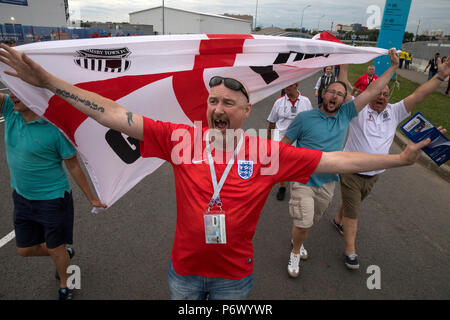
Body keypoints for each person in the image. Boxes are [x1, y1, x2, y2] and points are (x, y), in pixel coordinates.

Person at [0, 44, 430, 300]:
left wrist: (397, 160)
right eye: (212, 102)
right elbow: (113, 113)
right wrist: (48, 81)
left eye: (228, 103)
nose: (218, 108)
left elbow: (337, 161)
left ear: (247, 111)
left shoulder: (265, 152)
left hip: (234, 279)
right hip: (183, 274)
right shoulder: (178, 138)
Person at [281, 50, 401, 278]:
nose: (335, 96)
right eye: (331, 92)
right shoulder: (305, 118)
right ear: (324, 95)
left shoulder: (346, 114)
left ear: (344, 100)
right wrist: (279, 171)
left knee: (310, 220)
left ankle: (298, 236)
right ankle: (296, 250)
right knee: (304, 220)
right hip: (303, 179)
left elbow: (373, 90)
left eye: (340, 93)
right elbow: (284, 145)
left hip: (328, 182)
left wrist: (393, 67)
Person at [333, 55, 450, 270]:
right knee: (354, 211)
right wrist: (345, 62)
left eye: (386, 95)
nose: (381, 98)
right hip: (351, 170)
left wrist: (440, 77)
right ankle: (350, 250)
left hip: (374, 176)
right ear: (370, 94)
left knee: (354, 203)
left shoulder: (395, 112)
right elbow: (344, 90)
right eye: (378, 93)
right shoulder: (358, 110)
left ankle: (338, 219)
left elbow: (418, 95)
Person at [0, 91, 106, 300]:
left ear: (32, 96)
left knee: (54, 247)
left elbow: (73, 166)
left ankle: (66, 284)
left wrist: (91, 197)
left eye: (19, 92)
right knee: (25, 250)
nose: (12, 95)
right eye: (11, 90)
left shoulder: (55, 129)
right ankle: (64, 255)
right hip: (21, 198)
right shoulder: (10, 113)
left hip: (53, 200)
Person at [267, 82, 312, 201]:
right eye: (285, 85)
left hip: (299, 141)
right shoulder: (279, 102)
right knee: (282, 167)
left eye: (289, 85)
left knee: (296, 167)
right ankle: (282, 187)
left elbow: (310, 121)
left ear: (296, 85)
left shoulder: (306, 101)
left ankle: (296, 189)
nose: (286, 87)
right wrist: (269, 142)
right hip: (281, 140)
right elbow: (272, 123)